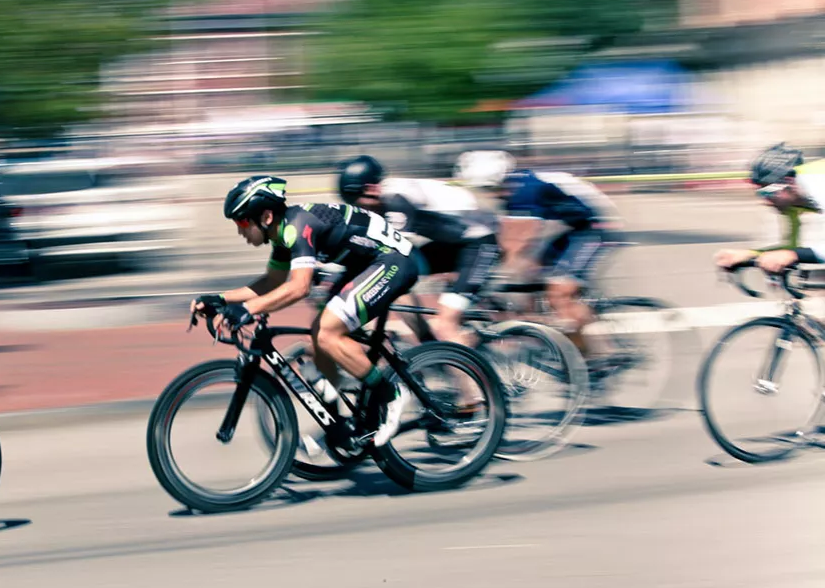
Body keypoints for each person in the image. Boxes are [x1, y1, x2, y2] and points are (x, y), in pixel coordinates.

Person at [192, 175, 419, 447]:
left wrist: (247, 310)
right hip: (363, 264)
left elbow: (299, 288)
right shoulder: (281, 234)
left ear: (265, 216)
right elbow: (271, 283)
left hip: (392, 261)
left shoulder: (298, 226)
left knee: (327, 332)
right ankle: (338, 418)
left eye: (242, 221)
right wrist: (220, 299)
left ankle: (390, 393)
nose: (240, 230)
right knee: (317, 340)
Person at [455, 150, 621, 354]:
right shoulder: (512, 186)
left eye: (490, 188)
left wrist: (488, 274)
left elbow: (518, 240)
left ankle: (594, 355)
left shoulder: (525, 189)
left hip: (596, 229)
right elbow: (510, 238)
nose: (491, 194)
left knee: (559, 292)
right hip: (572, 228)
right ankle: (545, 335)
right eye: (485, 189)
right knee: (531, 276)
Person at [336, 155, 500, 348]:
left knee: (445, 325)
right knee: (397, 284)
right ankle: (428, 344)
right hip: (455, 244)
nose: (359, 208)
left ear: (372, 188)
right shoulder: (381, 198)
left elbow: (392, 252)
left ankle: (475, 375)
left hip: (479, 245)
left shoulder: (396, 200)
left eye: (359, 202)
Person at [715, 143, 825, 273]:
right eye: (760, 193)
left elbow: (793, 254)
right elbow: (793, 248)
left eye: (768, 192)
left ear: (789, 182)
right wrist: (751, 254)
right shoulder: (791, 202)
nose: (765, 201)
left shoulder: (819, 185)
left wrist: (793, 255)